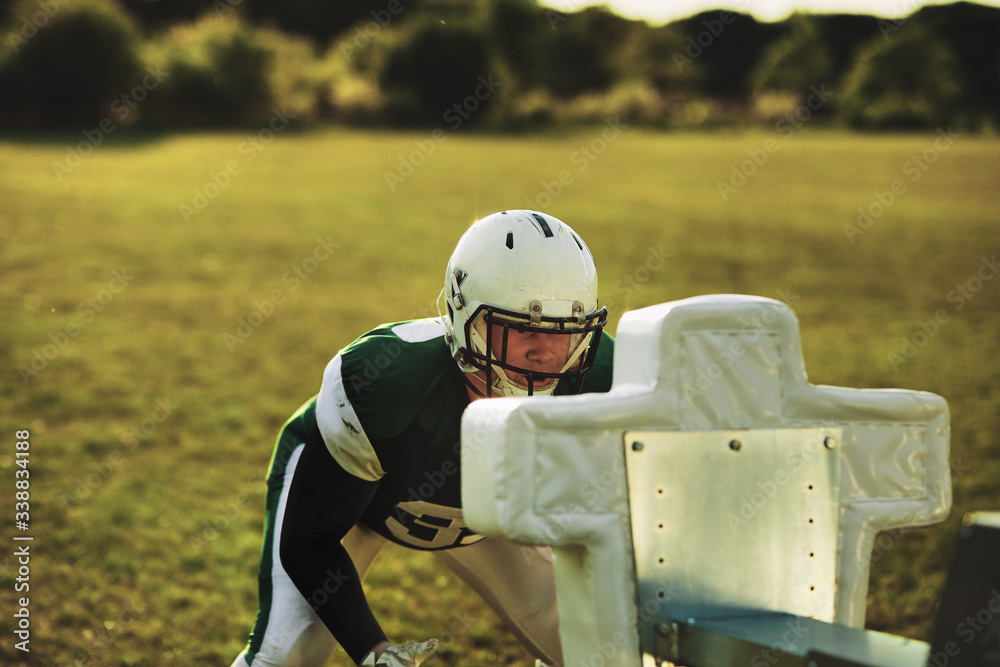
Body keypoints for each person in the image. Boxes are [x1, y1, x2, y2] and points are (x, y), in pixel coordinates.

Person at [230, 210, 615, 667]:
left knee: (592, 647)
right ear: (463, 319)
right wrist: (376, 652)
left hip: (488, 516)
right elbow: (309, 543)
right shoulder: (386, 384)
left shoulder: (605, 375)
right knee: (285, 656)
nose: (547, 354)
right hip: (357, 504)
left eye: (565, 332)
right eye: (523, 329)